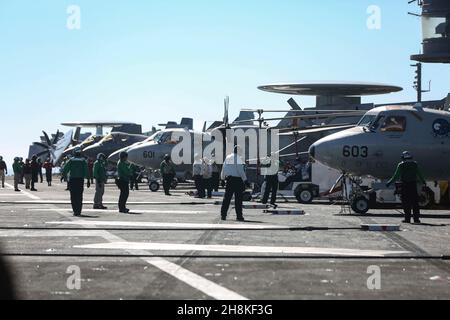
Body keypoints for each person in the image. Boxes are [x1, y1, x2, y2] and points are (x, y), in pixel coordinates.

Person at [387, 151, 426, 224]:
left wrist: (389, 182)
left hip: (405, 185)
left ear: (403, 157)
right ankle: (416, 219)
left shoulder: (401, 165)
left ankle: (407, 219)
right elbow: (419, 174)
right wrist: (423, 181)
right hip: (413, 185)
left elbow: (396, 176)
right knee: (415, 203)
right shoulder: (415, 164)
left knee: (406, 203)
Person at [220, 146, 247, 221]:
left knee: (227, 198)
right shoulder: (238, 158)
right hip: (237, 180)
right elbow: (240, 171)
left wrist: (222, 179)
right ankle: (239, 216)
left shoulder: (228, 157)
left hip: (229, 180)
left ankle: (223, 215)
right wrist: (245, 180)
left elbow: (223, 168)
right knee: (238, 199)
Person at [63, 148, 89, 216]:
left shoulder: (71, 160)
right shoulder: (83, 161)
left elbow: (65, 169)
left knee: (73, 196)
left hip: (73, 180)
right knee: (79, 196)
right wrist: (88, 180)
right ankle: (79, 211)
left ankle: (75, 211)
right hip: (80, 180)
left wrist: (64, 176)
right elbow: (86, 171)